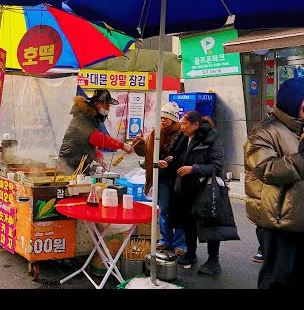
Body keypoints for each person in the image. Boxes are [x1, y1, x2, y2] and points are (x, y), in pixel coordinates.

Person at [244, 76, 304, 289]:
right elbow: (266, 170)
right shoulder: (264, 131)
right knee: (278, 279)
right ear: (293, 102)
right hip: (280, 220)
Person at [159, 110, 224, 275]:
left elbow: (216, 166)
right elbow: (181, 161)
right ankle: (191, 253)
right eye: (181, 123)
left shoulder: (211, 138)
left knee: (210, 225)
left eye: (184, 124)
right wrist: (170, 165)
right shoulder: (183, 138)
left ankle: (213, 261)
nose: (181, 127)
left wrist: (193, 168)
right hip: (186, 189)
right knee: (188, 222)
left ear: (196, 125)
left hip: (207, 189)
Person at [133, 101, 186, 255]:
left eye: (166, 118)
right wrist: (140, 144)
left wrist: (171, 161)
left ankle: (180, 243)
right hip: (161, 176)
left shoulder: (182, 134)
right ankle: (165, 240)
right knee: (164, 209)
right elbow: (147, 154)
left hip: (178, 177)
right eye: (161, 117)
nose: (162, 120)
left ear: (174, 119)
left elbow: (184, 156)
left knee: (179, 210)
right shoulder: (156, 133)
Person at [58, 89, 134, 175]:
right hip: (71, 161)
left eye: (109, 106)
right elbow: (95, 137)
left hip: (79, 160)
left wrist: (97, 155)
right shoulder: (83, 116)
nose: (108, 109)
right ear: (97, 103)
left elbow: (86, 139)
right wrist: (122, 145)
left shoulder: (92, 116)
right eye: (106, 105)